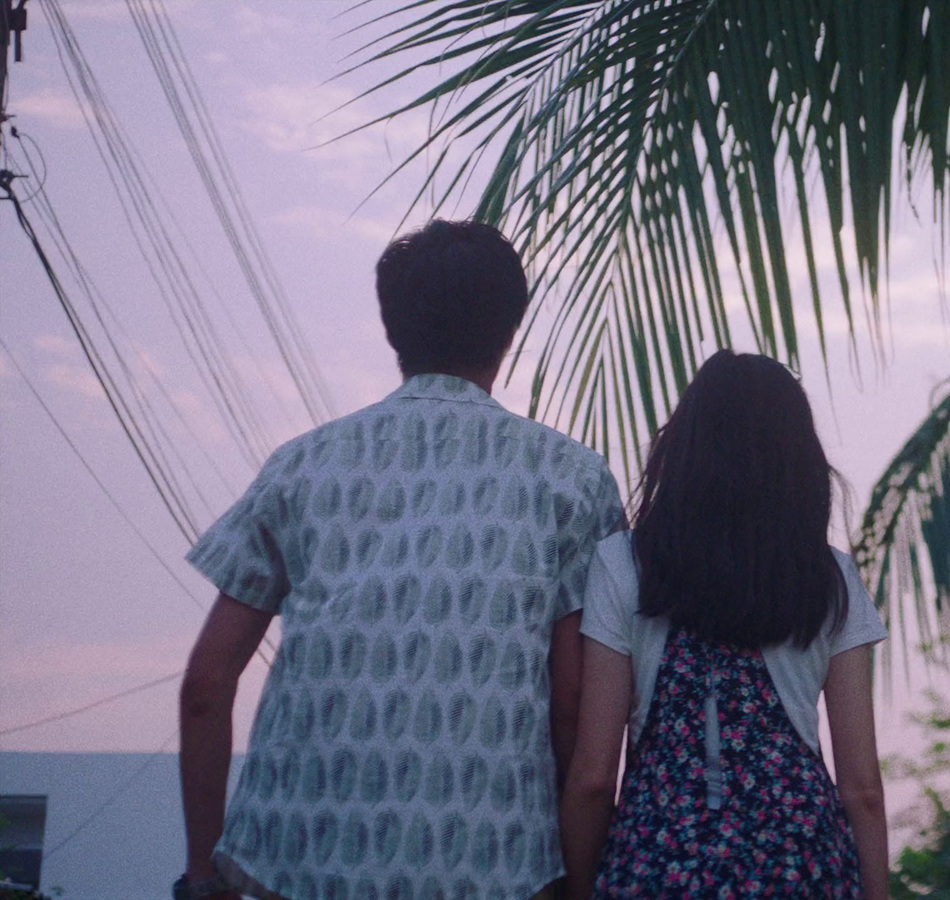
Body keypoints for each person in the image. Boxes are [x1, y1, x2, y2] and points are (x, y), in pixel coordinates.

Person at [176, 220, 624, 900]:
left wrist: (204, 878)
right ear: (509, 331)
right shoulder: (572, 480)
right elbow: (570, 697)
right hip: (497, 863)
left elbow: (207, 686)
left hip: (294, 859)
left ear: (394, 329)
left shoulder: (299, 468)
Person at [561, 350, 890, 900]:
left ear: (683, 449)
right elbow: (864, 789)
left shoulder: (624, 564)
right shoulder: (830, 577)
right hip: (802, 863)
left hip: (658, 864)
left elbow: (594, 777)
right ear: (799, 462)